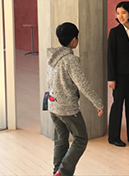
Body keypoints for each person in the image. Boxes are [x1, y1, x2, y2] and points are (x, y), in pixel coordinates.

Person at [47, 22, 104, 176]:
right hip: (67, 108)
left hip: (53, 106)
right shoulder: (71, 61)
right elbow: (83, 85)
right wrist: (98, 103)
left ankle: (56, 172)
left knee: (61, 141)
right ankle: (64, 172)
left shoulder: (53, 57)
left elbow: (49, 82)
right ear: (74, 40)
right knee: (80, 139)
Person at [107, 1, 129, 147]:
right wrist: (111, 78)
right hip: (119, 75)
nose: (120, 16)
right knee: (117, 105)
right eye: (118, 13)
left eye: (123, 12)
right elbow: (110, 56)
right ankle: (113, 137)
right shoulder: (114, 32)